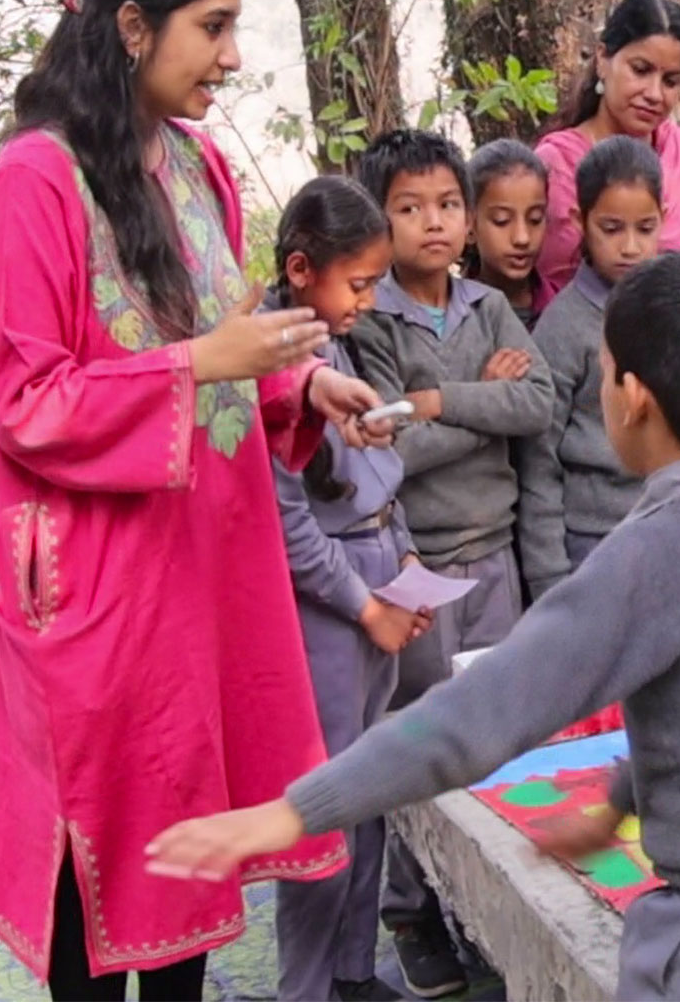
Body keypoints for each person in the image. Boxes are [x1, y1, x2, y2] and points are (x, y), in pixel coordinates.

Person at [146, 253, 680, 1002]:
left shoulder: (655, 551)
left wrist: (295, 811)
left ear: (633, 398)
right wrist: (618, 804)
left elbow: (477, 716)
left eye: (605, 370)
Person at [0, 0, 386, 1000]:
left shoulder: (197, 167)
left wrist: (300, 377)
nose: (233, 57)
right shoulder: (35, 182)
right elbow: (25, 401)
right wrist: (205, 364)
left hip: (196, 578)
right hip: (98, 598)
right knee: (101, 888)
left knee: (192, 862)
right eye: (213, 26)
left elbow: (204, 330)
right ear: (133, 27)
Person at [352, 127, 555, 997]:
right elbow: (386, 453)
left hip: (497, 562)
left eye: (446, 206)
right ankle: (413, 913)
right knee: (421, 746)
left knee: (502, 741)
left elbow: (538, 402)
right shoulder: (371, 323)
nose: (433, 223)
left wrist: (437, 402)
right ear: (380, 220)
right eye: (410, 208)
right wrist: (482, 403)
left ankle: (493, 907)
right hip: (417, 572)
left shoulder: (490, 306)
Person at [267, 178, 433, 1002]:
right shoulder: (269, 365)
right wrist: (366, 606)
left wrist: (402, 568)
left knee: (369, 789)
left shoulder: (333, 346)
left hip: (377, 588)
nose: (368, 300)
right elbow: (288, 526)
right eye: (358, 283)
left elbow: (376, 483)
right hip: (327, 615)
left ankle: (353, 968)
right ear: (301, 269)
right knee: (323, 799)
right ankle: (304, 987)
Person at [516, 137, 661, 599]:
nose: (631, 246)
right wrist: (548, 578)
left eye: (646, 227)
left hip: (668, 530)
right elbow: (537, 462)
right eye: (612, 228)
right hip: (590, 547)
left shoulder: (675, 312)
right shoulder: (563, 328)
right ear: (579, 220)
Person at [533, 0, 680, 310]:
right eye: (641, 70)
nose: (654, 94)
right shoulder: (558, 164)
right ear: (603, 60)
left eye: (670, 81)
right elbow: (552, 284)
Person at [460, 139, 548, 330]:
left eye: (535, 219)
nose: (522, 238)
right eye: (502, 221)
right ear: (469, 226)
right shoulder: (454, 319)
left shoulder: (562, 309)